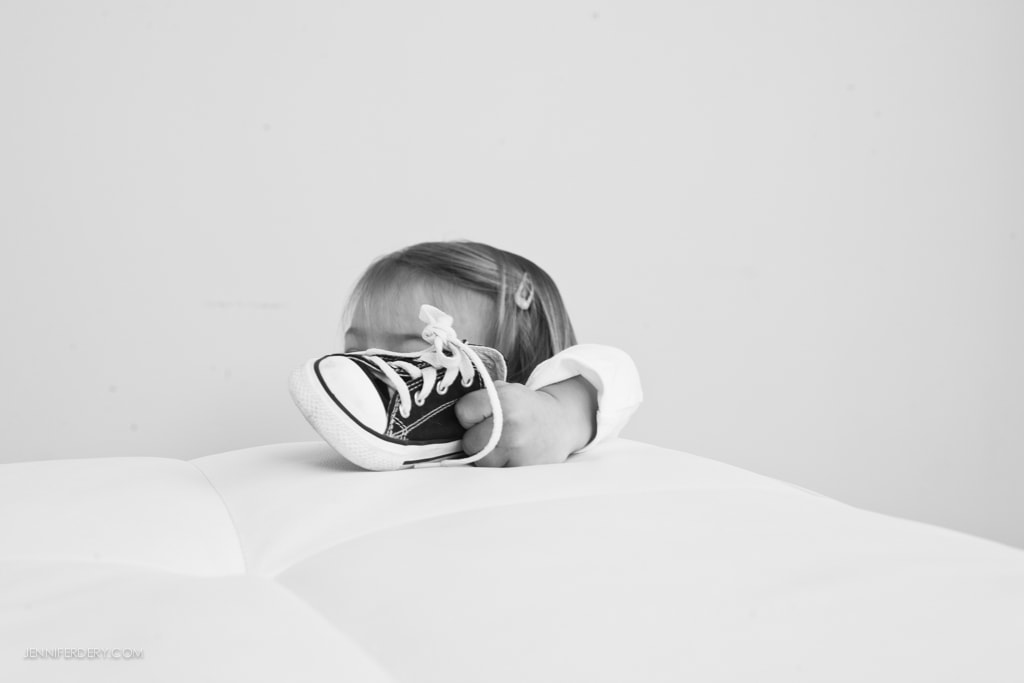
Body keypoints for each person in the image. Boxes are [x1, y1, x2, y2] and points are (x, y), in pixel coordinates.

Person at [291, 240, 641, 469]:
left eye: (418, 352)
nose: (374, 368)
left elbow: (614, 373)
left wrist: (562, 414)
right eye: (357, 353)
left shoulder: (548, 431)